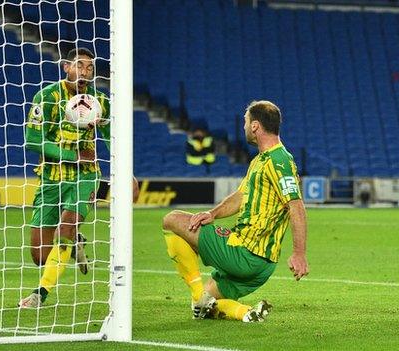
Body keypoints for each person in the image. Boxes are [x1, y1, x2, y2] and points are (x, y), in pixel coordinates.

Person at [162, 100, 309, 322]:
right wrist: (213, 214)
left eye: (245, 122)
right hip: (262, 266)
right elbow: (240, 197)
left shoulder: (279, 161)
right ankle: (245, 313)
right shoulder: (261, 160)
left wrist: (299, 253)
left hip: (245, 252)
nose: (244, 127)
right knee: (203, 308)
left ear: (255, 126)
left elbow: (296, 206)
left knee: (171, 220)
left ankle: (197, 294)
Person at [18, 48, 138, 308]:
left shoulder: (100, 100)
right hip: (51, 178)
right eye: (79, 66)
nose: (84, 72)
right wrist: (72, 156)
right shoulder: (47, 97)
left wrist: (125, 170)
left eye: (89, 68)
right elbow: (32, 140)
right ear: (66, 67)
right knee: (39, 255)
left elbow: (110, 137)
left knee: (66, 228)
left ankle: (40, 294)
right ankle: (75, 244)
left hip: (85, 177)